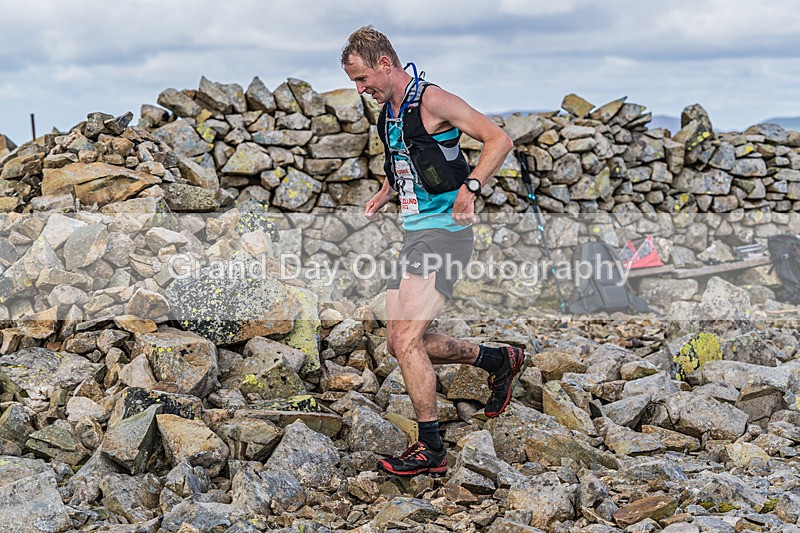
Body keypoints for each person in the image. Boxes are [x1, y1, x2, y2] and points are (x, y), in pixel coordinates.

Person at [341, 26, 529, 477]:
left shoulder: (433, 100)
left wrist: (472, 187)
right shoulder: (388, 110)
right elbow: (408, 159)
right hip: (414, 234)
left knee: (406, 341)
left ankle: (432, 451)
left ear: (385, 63)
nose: (360, 89)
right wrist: (387, 190)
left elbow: (498, 139)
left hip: (446, 234)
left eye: (363, 78)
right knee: (400, 342)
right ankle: (498, 359)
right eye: (355, 83)